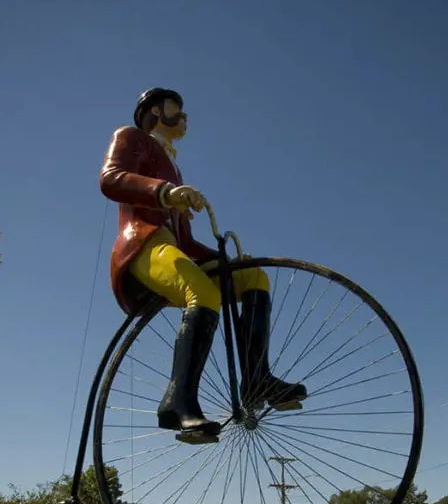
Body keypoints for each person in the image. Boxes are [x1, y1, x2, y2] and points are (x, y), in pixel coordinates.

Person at [99, 87, 306, 443]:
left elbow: (186, 242)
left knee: (253, 277)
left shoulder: (174, 167)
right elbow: (110, 178)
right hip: (144, 247)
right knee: (202, 291)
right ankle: (178, 401)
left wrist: (224, 261)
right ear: (154, 111)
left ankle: (257, 379)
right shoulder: (131, 137)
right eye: (175, 109)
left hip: (174, 249)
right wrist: (164, 191)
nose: (184, 117)